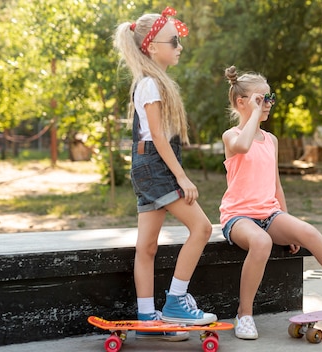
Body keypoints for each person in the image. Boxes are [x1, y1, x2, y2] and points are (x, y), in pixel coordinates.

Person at [219, 66, 322, 340]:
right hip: (238, 218)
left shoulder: (271, 140)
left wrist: (287, 225)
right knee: (261, 241)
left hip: (269, 213)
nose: (269, 104)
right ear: (241, 103)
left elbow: (276, 185)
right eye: (261, 99)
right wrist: (252, 115)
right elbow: (243, 147)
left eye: (269, 97)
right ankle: (245, 314)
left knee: (308, 231)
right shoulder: (232, 136)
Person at [113, 6, 217, 341]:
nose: (179, 46)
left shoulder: (152, 83)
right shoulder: (150, 85)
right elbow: (158, 137)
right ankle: (175, 302)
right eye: (173, 41)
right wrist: (182, 178)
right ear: (152, 47)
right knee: (201, 227)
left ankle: (148, 316)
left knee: (147, 247)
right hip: (156, 169)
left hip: (146, 168)